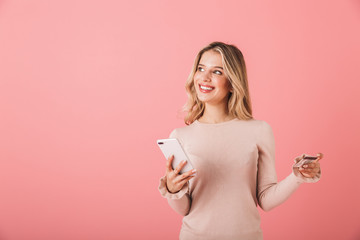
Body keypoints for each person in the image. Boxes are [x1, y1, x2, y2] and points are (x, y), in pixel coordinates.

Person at [158, 41, 322, 240]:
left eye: (217, 72)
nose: (204, 77)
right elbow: (184, 209)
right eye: (201, 68)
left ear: (232, 82)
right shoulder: (179, 136)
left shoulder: (259, 130)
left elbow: (266, 200)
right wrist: (173, 189)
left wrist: (297, 176)